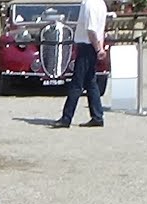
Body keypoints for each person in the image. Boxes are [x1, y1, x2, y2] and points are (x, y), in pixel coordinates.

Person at [52, 0, 107, 128]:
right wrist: (100, 47)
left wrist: (98, 49)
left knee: (77, 83)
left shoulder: (90, 4)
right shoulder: (101, 4)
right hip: (92, 45)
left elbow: (91, 30)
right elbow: (100, 29)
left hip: (87, 45)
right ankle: (97, 116)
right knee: (91, 82)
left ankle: (66, 118)